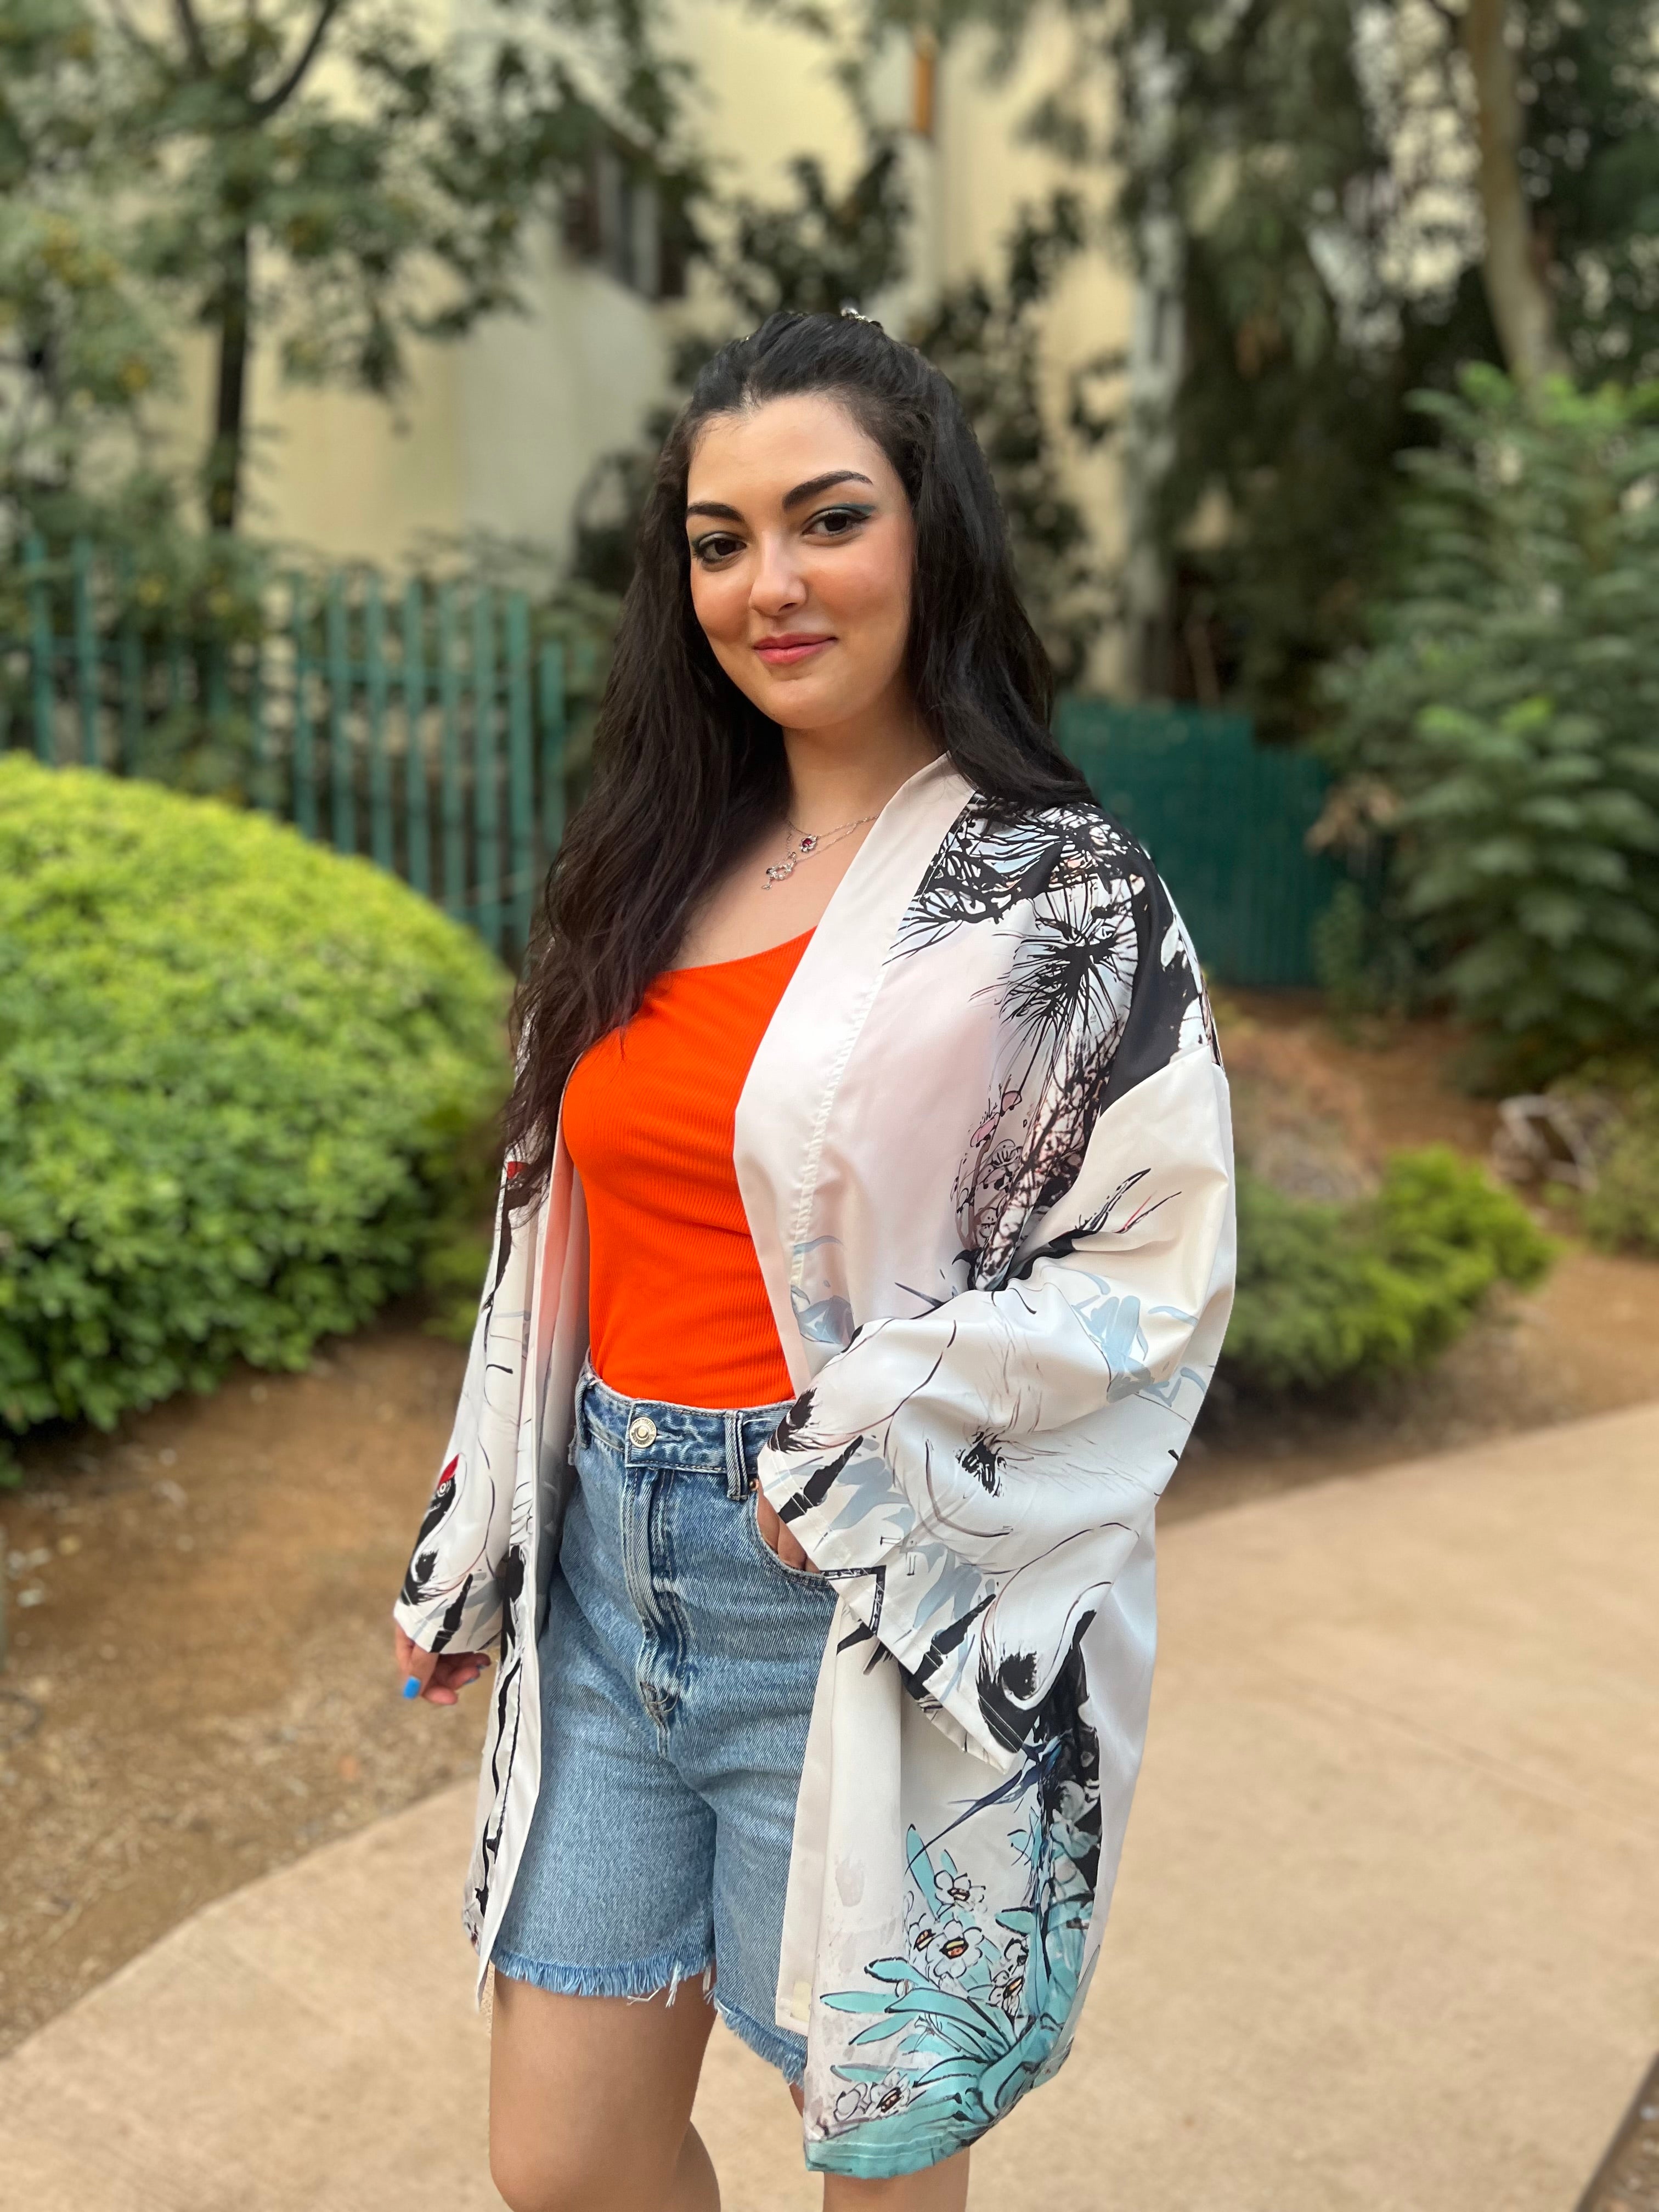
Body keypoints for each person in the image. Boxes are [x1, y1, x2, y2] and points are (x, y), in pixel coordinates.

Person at [392, 308, 1235, 2211]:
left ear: (928, 532)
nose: (766, 583)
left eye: (825, 519)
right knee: (564, 2156)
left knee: (871, 2156)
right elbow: (559, 1230)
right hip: (609, 1584)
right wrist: (481, 1534)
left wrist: (869, 1430)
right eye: (718, 538)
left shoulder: (1053, 890)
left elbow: (1156, 1265)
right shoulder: (653, 850)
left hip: (854, 1594)